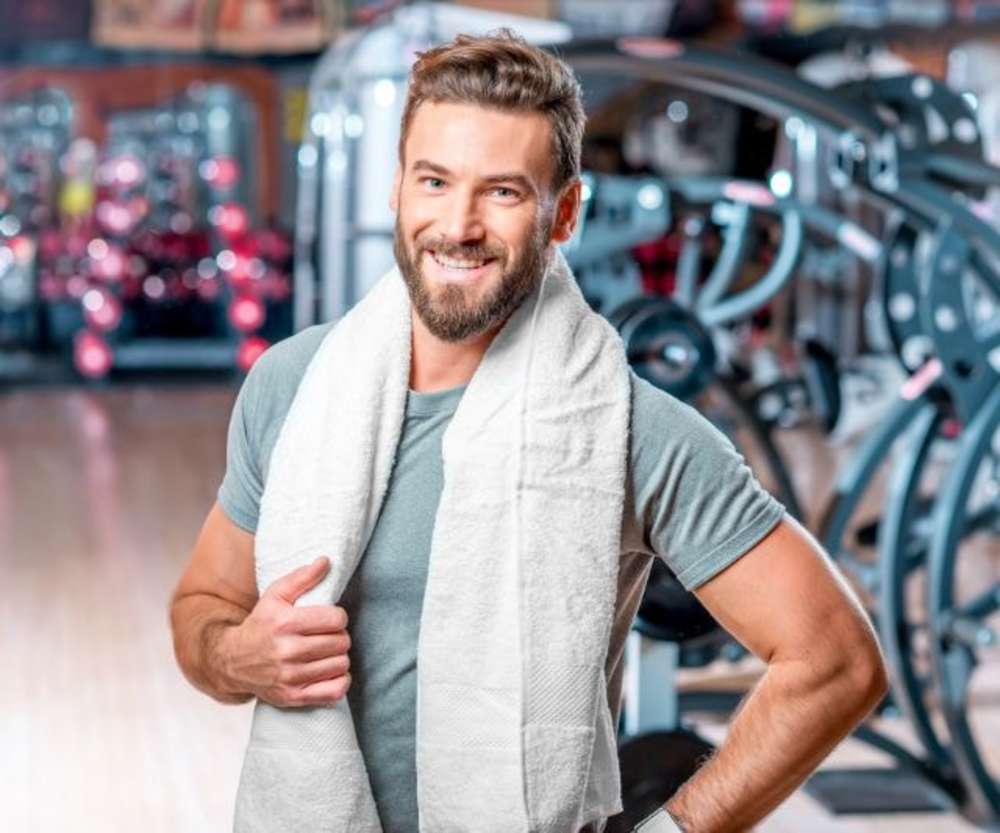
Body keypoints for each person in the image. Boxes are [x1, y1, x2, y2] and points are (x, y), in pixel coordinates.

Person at [169, 29, 887, 833]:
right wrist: (239, 655)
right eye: (435, 181)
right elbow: (203, 605)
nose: (460, 224)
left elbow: (836, 662)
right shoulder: (293, 385)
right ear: (398, 189)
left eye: (503, 192)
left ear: (564, 213)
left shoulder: (631, 427)